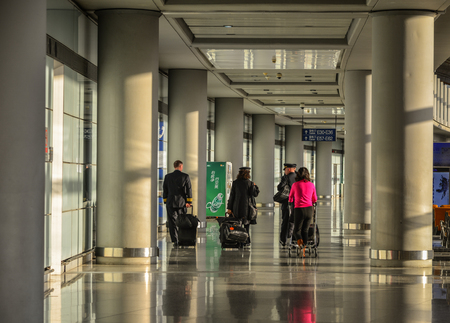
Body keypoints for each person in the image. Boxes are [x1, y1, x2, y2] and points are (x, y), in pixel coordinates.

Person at [226, 167, 260, 248]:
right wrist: (255, 186)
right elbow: (254, 194)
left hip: (236, 207)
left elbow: (232, 196)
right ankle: (246, 241)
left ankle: (239, 240)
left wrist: (229, 208)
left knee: (238, 225)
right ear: (248, 174)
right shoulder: (250, 183)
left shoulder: (235, 183)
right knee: (246, 225)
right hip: (247, 208)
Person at [288, 167, 317, 257]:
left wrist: (292, 201)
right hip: (309, 209)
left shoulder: (295, 185)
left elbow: (290, 197)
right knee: (305, 230)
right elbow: (315, 198)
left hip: (299, 210)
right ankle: (304, 249)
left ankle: (301, 247)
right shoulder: (311, 185)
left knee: (297, 231)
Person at [163, 160, 192, 247]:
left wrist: (165, 200)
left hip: (170, 202)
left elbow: (165, 190)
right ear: (181, 166)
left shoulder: (167, 176)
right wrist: (189, 201)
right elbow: (189, 189)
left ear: (174, 166)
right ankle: (182, 238)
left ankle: (175, 240)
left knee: (172, 222)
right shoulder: (185, 176)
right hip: (181, 203)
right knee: (182, 221)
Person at [277, 163, 297, 247]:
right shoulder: (298, 177)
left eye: (285, 169)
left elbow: (280, 187)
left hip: (287, 202)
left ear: (288, 169)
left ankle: (283, 240)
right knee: (296, 221)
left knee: (285, 221)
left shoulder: (286, 177)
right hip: (297, 203)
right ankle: (294, 240)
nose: (284, 171)